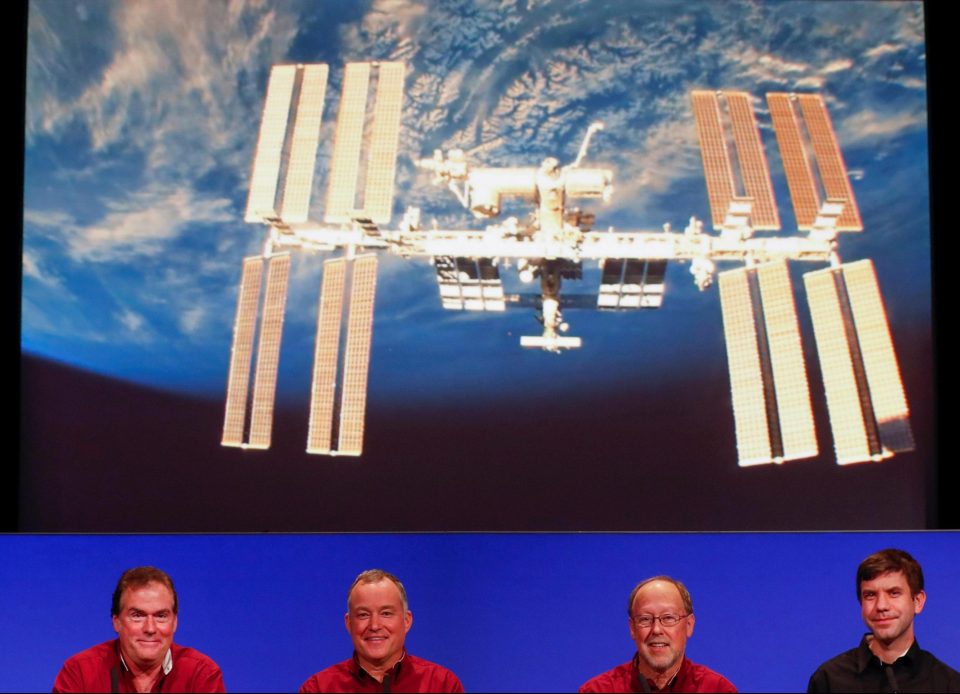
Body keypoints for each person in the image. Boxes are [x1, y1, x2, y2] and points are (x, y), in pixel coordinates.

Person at [807, 548, 960, 692]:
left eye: (894, 593)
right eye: (870, 595)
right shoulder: (829, 680)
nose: (881, 606)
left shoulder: (948, 684)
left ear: (918, 601)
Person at [53, 566, 225, 693]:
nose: (150, 628)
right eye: (138, 615)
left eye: (161, 616)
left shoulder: (201, 675)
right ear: (117, 622)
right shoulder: (80, 673)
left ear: (174, 622)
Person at [299, 569, 464, 693]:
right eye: (363, 615)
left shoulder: (442, 685)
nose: (375, 625)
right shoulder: (318, 688)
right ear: (349, 624)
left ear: (406, 621)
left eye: (386, 613)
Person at [579, 575, 736, 693]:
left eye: (668, 618)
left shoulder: (717, 689)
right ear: (632, 628)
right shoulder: (598, 690)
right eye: (645, 619)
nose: (656, 629)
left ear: (689, 625)